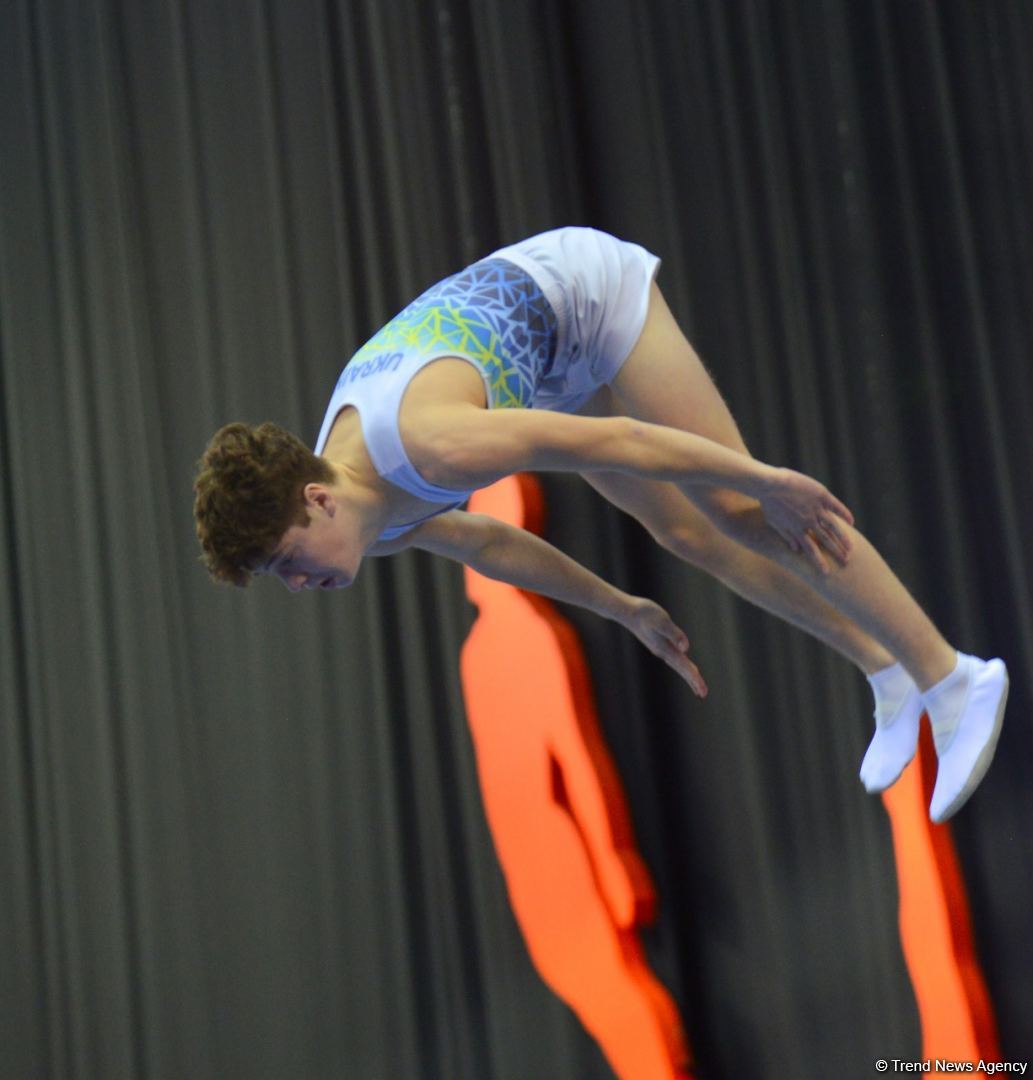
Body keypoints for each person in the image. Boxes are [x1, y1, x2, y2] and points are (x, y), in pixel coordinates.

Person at [193, 226, 1008, 823]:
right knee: (684, 536)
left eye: (287, 561)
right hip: (542, 371)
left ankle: (950, 674)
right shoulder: (372, 510)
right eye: (282, 578)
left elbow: (624, 442)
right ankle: (884, 668)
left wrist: (765, 482)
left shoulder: (428, 444)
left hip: (591, 297)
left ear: (317, 501)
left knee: (732, 511)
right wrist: (620, 607)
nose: (299, 585)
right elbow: (486, 542)